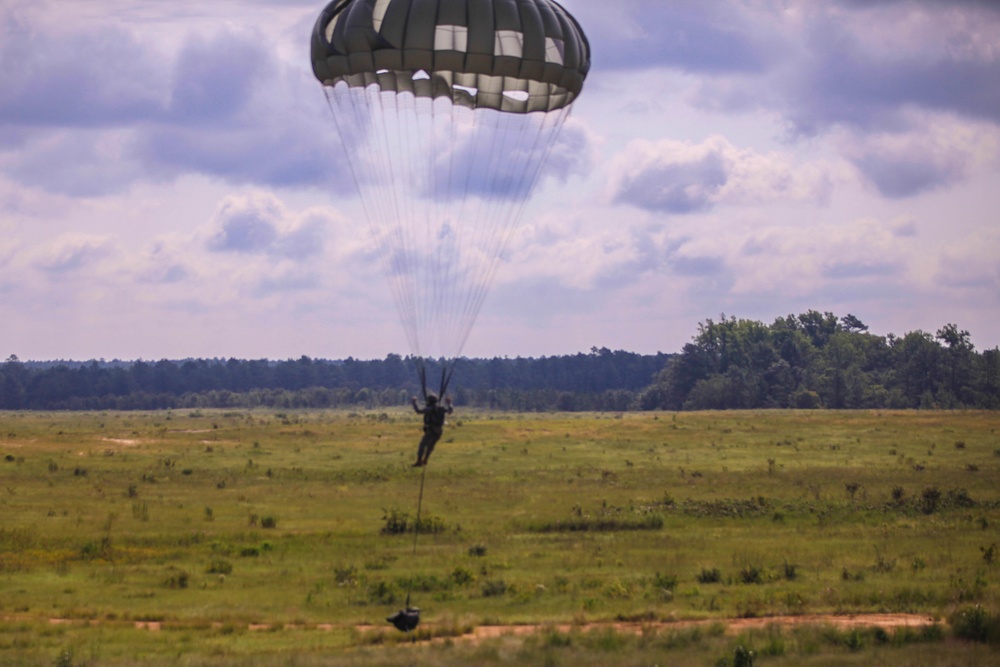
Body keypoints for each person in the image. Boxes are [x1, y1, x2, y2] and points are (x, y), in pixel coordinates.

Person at [411, 392, 453, 467]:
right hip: (439, 430)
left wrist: (414, 403)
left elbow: (418, 411)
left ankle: (419, 461)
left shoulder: (429, 409)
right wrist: (449, 403)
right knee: (431, 445)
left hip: (431, 430)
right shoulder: (441, 408)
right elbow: (450, 411)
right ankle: (425, 460)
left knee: (422, 444)